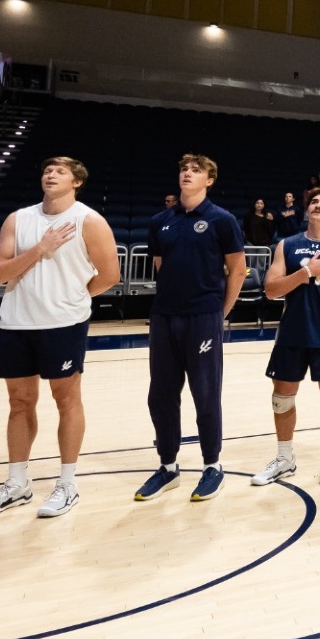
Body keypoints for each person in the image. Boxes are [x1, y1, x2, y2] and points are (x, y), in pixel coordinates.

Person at [0, 157, 120, 519]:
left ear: (77, 182)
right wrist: (39, 249)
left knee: (66, 400)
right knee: (19, 403)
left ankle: (68, 483)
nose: (50, 174)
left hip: (63, 324)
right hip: (17, 322)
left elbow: (110, 275)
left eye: (60, 171)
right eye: (46, 170)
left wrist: (74, 298)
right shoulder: (18, 219)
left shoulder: (89, 221)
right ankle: (17, 482)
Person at [133, 155, 247, 502]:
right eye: (184, 169)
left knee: (205, 393)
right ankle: (168, 467)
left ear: (209, 180)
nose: (187, 173)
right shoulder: (160, 221)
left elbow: (238, 271)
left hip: (203, 317)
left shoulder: (222, 220)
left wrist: (217, 314)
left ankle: (212, 465)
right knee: (161, 394)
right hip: (165, 316)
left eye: (196, 170)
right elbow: (160, 267)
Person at [246, 188, 320, 487]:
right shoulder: (287, 245)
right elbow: (272, 290)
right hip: (291, 332)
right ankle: (285, 458)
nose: (319, 205)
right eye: (314, 201)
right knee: (281, 400)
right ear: (306, 209)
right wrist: (306, 272)